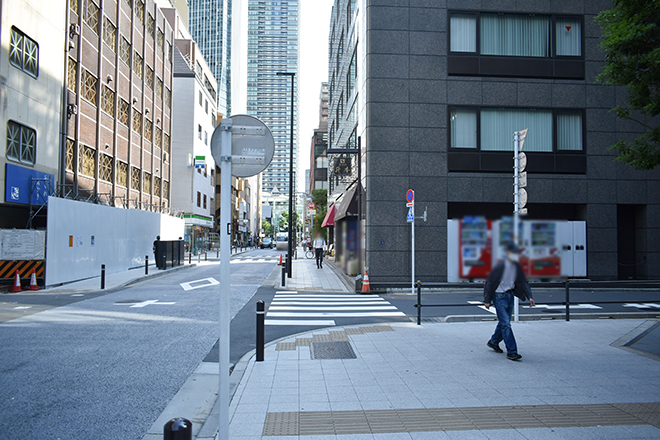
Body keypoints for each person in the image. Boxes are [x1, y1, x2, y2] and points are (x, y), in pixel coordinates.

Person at [483, 242, 536, 361]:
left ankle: (493, 341)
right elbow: (489, 282)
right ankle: (512, 351)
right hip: (499, 296)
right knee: (506, 323)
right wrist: (487, 300)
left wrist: (530, 296)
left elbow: (523, 282)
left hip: (510, 295)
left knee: (503, 322)